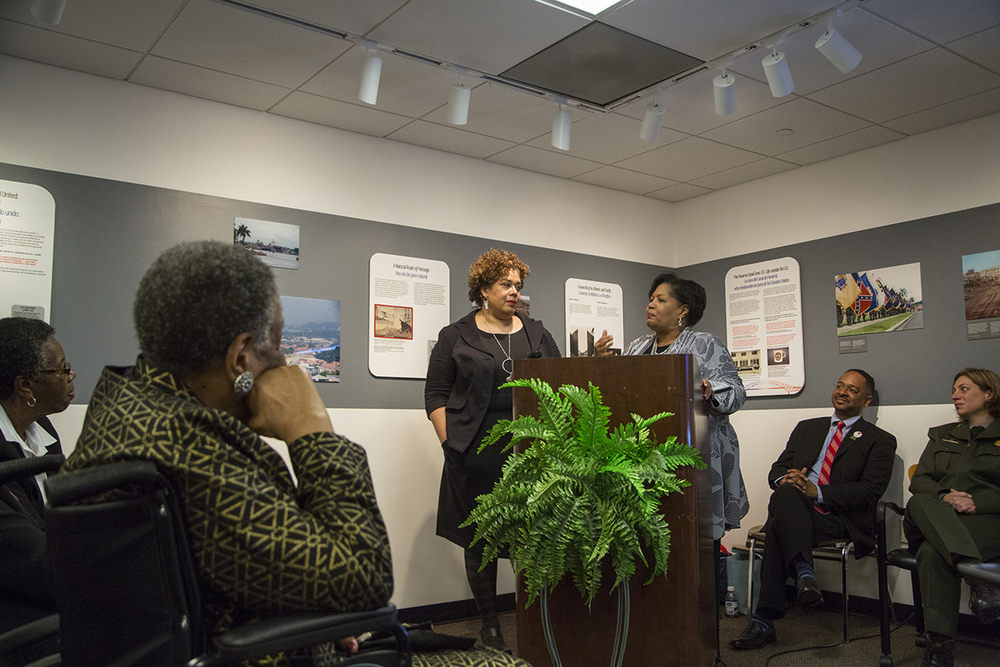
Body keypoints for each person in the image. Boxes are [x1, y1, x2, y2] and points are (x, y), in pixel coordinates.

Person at [64, 241, 528, 667]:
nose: (285, 364)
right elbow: (362, 582)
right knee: (500, 664)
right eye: (277, 346)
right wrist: (313, 429)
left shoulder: (129, 405)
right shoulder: (192, 451)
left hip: (251, 635)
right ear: (240, 357)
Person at [425, 248, 561, 652]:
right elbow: (435, 394)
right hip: (474, 453)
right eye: (506, 284)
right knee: (479, 540)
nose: (514, 291)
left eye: (518, 284)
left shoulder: (536, 333)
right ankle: (489, 624)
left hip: (530, 451)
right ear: (484, 289)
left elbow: (559, 381)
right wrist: (450, 442)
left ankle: (536, 619)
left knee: (533, 537)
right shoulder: (456, 335)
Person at [595, 272, 748, 601]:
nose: (651, 304)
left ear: (683, 310)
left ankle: (704, 607)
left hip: (696, 456)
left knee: (694, 538)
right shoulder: (638, 347)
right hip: (645, 459)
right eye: (651, 298)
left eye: (661, 299)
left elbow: (737, 392)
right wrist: (600, 365)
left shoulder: (705, 344)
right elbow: (617, 397)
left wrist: (710, 389)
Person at [730, 369, 897, 650]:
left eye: (852, 390)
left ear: (867, 401)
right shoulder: (807, 427)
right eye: (840, 385)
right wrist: (788, 479)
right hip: (798, 509)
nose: (842, 392)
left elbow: (870, 490)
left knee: (779, 524)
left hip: (839, 518)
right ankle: (804, 572)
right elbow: (777, 470)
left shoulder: (879, 439)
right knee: (785, 493)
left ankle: (764, 619)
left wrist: (817, 491)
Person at [904, 368, 1000, 667]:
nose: (954, 395)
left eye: (964, 389)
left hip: (984, 521)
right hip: (937, 515)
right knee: (920, 500)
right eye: (954, 390)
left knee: (932, 554)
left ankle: (939, 649)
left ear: (988, 394)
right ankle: (979, 580)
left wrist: (974, 501)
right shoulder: (942, 434)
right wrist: (947, 496)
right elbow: (920, 481)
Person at [1, 317, 74, 637]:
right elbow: (32, 560)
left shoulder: (41, 428)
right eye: (61, 369)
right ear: (25, 386)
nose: (71, 375)